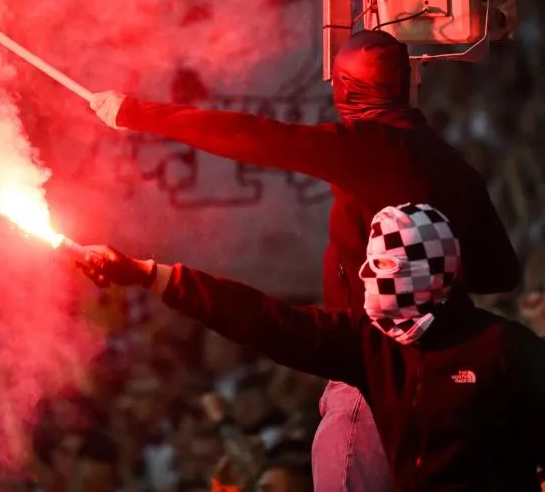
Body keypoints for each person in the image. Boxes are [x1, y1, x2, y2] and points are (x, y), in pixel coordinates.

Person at [88, 29, 520, 490]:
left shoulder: (367, 145)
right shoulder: (456, 169)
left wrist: (135, 112)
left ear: (347, 89)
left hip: (370, 379)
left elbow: (255, 137)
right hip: (447, 376)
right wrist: (434, 269)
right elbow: (500, 273)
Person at [77, 203, 545, 490]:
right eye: (370, 263)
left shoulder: (500, 347)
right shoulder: (370, 342)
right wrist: (146, 273)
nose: (368, 278)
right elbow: (264, 321)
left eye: (385, 267)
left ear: (426, 276)